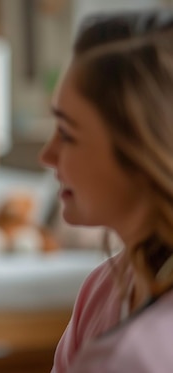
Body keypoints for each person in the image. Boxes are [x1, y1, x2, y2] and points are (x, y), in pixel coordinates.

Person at [39, 9, 173, 373]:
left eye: (66, 134)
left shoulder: (136, 355)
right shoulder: (101, 290)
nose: (46, 155)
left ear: (143, 153)